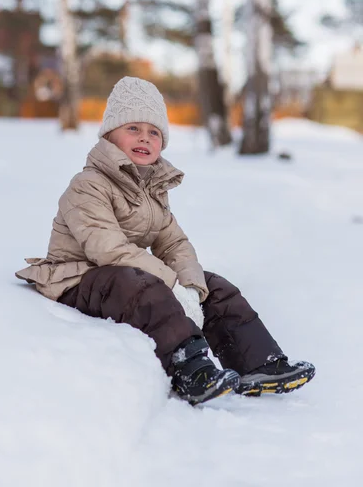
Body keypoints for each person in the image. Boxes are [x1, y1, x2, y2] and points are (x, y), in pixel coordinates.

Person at [16, 76, 315, 406]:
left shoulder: (152, 191)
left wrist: (190, 287)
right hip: (76, 279)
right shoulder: (88, 185)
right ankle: (189, 368)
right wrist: (170, 284)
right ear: (110, 134)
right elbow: (107, 249)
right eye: (133, 128)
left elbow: (174, 243)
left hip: (122, 276)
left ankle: (260, 363)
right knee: (146, 287)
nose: (144, 137)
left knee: (213, 285)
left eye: (154, 131)